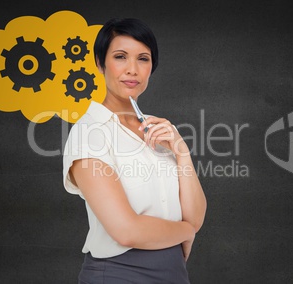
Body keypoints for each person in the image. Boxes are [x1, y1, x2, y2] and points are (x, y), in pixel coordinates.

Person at [62, 17, 207, 284]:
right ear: (100, 63)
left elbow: (195, 216)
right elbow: (126, 230)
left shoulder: (159, 130)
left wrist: (182, 151)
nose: (132, 69)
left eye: (143, 58)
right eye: (120, 57)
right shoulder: (90, 132)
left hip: (175, 273)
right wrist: (186, 232)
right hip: (119, 274)